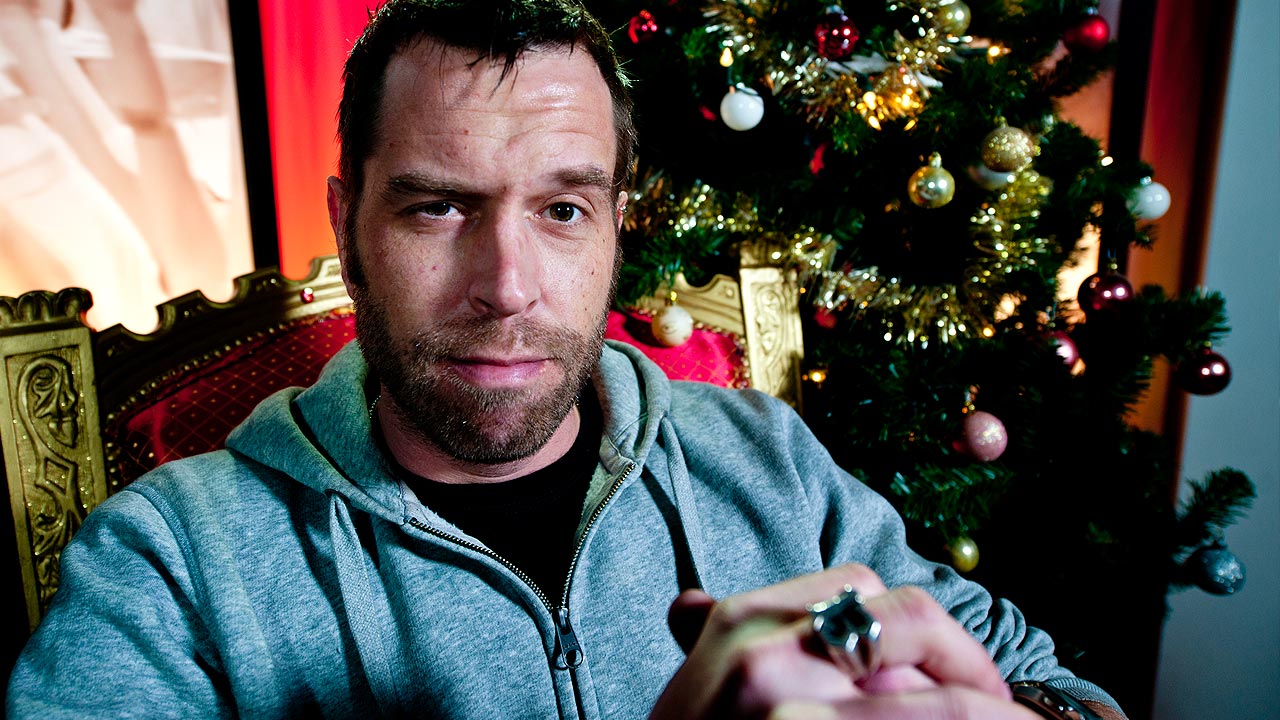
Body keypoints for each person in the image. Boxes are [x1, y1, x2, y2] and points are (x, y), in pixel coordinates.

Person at [6, 1, 1126, 718]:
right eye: (438, 207)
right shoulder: (170, 559)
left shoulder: (766, 458)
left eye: (562, 210)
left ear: (617, 229)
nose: (506, 285)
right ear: (348, 227)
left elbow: (1061, 688)